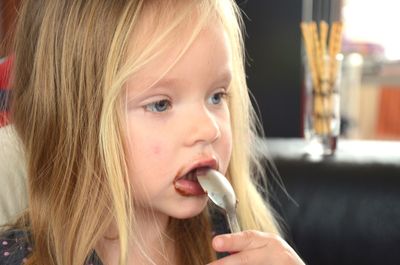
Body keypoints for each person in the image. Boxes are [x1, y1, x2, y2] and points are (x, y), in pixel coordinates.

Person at [0, 0, 305, 264]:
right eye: (160, 104)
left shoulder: (234, 245)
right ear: (78, 124)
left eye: (216, 96)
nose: (209, 128)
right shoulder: (21, 258)